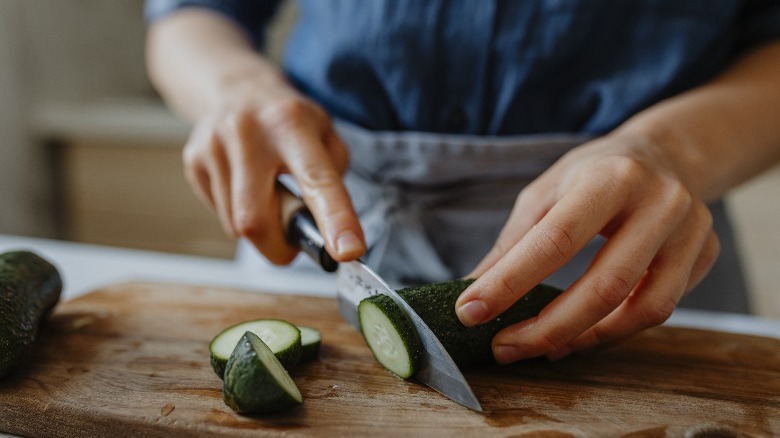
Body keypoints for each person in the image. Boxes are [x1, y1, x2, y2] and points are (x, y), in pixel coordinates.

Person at [145, 1, 780, 364]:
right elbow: (190, 14)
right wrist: (236, 90)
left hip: (626, 235)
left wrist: (669, 149)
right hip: (326, 198)